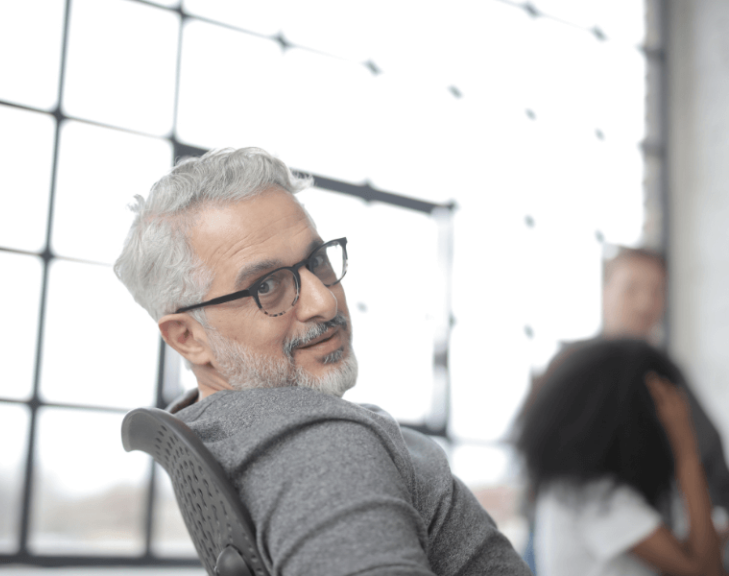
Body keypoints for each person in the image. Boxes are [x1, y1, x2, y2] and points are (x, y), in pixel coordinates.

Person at [114, 147, 530, 575]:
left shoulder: (221, 429)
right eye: (268, 285)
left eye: (317, 260)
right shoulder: (319, 444)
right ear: (188, 338)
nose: (325, 300)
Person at [516, 338, 725, 576]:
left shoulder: (587, 490)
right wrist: (686, 449)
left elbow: (693, 550)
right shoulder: (588, 495)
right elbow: (706, 570)